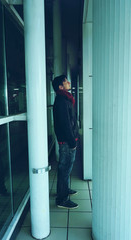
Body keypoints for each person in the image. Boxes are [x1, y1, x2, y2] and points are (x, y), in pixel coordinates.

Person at [52, 75, 79, 209]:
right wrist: (72, 142)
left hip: (68, 139)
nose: (69, 82)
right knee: (65, 169)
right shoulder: (62, 101)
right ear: (60, 87)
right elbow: (65, 124)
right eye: (66, 81)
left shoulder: (65, 99)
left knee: (66, 169)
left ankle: (64, 190)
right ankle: (62, 199)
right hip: (67, 142)